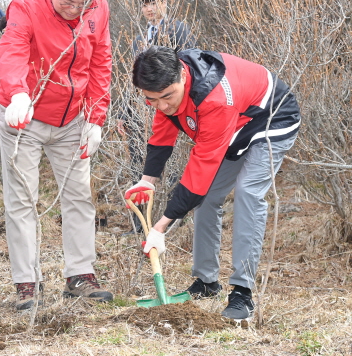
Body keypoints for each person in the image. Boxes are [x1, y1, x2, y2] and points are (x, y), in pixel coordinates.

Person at [125, 46, 300, 321]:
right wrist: (147, 181)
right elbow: (162, 135)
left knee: (247, 193)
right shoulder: (164, 88)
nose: (162, 106)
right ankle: (206, 283)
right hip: (235, 124)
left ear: (183, 76)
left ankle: (243, 293)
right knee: (205, 199)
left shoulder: (215, 99)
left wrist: (160, 228)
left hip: (271, 118)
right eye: (152, 100)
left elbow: (199, 172)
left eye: (167, 97)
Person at [0, 0, 113, 310]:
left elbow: (100, 60)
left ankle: (79, 274)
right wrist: (17, 92)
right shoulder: (26, 5)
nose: (75, 9)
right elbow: (11, 50)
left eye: (84, 3)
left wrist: (95, 117)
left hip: (73, 118)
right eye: (68, 1)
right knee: (22, 199)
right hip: (23, 115)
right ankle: (27, 283)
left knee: (79, 195)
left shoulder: (99, 9)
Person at [117, 0, 197, 234]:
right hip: (140, 112)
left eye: (153, 2)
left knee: (170, 163)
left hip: (171, 111)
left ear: (164, 2)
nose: (149, 9)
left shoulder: (179, 30)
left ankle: (172, 221)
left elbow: (190, 67)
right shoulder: (139, 39)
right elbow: (133, 80)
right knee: (140, 166)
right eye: (144, 4)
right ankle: (140, 224)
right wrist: (124, 113)